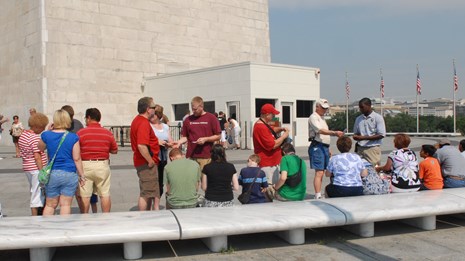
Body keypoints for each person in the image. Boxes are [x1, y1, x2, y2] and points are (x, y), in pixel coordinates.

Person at [38, 109, 85, 215]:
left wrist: (47, 130)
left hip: (53, 173)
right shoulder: (73, 137)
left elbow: (40, 148)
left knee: (50, 204)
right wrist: (82, 176)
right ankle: (63, 228)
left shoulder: (47, 135)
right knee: (65, 204)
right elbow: (77, 158)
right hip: (69, 173)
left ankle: (47, 227)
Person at [77, 108, 118, 213]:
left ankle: (84, 216)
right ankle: (106, 217)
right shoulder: (107, 133)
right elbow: (114, 150)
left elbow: (76, 150)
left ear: (89, 118)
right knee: (104, 193)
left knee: (85, 195)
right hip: (102, 164)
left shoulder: (81, 133)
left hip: (85, 165)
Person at [308, 98, 344, 199]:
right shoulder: (313, 117)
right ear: (317, 107)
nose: (325, 110)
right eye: (323, 108)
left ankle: (322, 192)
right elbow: (319, 130)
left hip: (324, 146)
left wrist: (328, 148)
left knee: (326, 171)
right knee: (319, 171)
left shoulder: (322, 118)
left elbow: (325, 135)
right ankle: (318, 195)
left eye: (326, 109)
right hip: (317, 145)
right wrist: (335, 133)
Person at [130, 97, 161, 211]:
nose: (154, 109)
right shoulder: (143, 123)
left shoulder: (138, 120)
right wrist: (150, 160)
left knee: (148, 192)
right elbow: (141, 145)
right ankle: (143, 217)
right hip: (145, 163)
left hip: (143, 162)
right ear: (148, 109)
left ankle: (147, 215)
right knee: (146, 193)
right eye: (153, 107)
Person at [175, 96, 221, 170]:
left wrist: (205, 139)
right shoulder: (188, 119)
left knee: (204, 179)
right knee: (193, 180)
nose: (193, 111)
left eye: (195, 109)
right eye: (192, 109)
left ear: (201, 106)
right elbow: (185, 136)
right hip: (191, 155)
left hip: (206, 156)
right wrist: (179, 142)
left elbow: (218, 136)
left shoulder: (211, 118)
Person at [18, 112, 49, 215]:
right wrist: (42, 171)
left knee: (33, 190)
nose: (43, 129)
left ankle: (36, 214)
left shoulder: (23, 135)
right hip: (36, 169)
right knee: (36, 194)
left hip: (27, 167)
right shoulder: (34, 138)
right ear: (36, 126)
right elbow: (37, 157)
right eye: (42, 127)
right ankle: (35, 216)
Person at [253, 103, 289, 184]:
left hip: (272, 163)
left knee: (273, 188)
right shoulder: (260, 127)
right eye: (273, 114)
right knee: (269, 189)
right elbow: (272, 145)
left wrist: (281, 129)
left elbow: (271, 129)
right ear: (267, 114)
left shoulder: (263, 124)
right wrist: (284, 136)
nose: (274, 116)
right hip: (268, 164)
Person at [353, 97, 386, 166]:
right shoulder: (358, 119)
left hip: (372, 148)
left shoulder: (377, 118)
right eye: (360, 107)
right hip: (360, 148)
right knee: (360, 170)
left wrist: (363, 138)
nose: (360, 109)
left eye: (362, 107)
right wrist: (356, 137)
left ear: (369, 106)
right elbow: (356, 133)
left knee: (375, 169)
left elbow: (381, 135)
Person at [150, 105, 173, 198]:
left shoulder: (165, 127)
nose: (151, 116)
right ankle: (152, 205)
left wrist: (170, 144)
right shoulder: (148, 125)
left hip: (163, 156)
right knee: (152, 181)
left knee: (160, 182)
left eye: (153, 115)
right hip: (153, 156)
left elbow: (170, 140)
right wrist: (157, 142)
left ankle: (156, 204)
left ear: (158, 115)